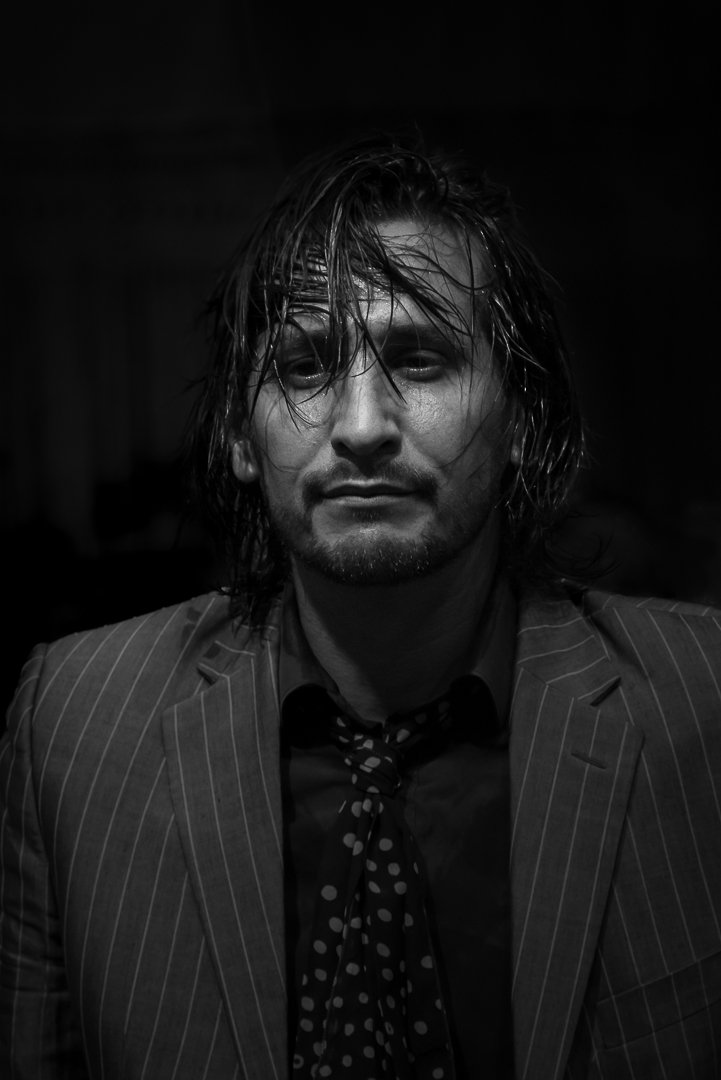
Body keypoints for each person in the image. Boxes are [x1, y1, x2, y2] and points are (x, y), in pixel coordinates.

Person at [1, 132, 720, 1080]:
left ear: (521, 417)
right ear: (240, 437)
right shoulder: (75, 721)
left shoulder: (700, 701)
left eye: (420, 360)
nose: (362, 427)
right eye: (304, 367)